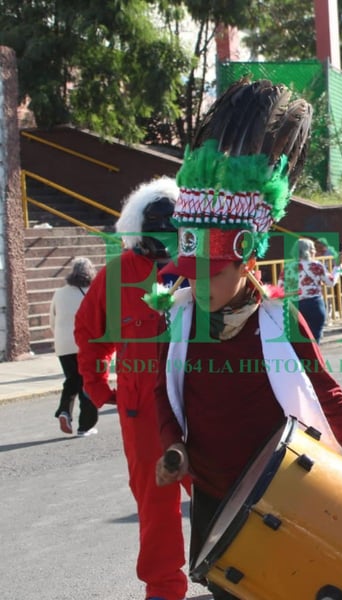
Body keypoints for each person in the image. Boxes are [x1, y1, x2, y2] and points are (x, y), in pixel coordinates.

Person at [150, 80, 342, 600]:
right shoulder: (176, 321)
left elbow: (328, 394)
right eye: (190, 274)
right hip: (215, 495)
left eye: (211, 274)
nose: (197, 285)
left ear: (247, 260)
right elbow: (162, 394)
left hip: (282, 494)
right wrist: (173, 444)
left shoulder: (279, 320)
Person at [74, 177, 189, 600]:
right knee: (157, 508)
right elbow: (89, 331)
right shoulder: (117, 274)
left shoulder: (201, 267)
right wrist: (98, 387)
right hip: (143, 414)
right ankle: (164, 590)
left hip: (199, 406)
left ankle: (233, 575)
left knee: (221, 495)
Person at [50, 256, 98, 436]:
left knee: (72, 380)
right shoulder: (94, 291)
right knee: (88, 383)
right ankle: (86, 425)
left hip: (62, 344)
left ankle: (64, 411)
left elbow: (52, 321)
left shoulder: (59, 292)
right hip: (86, 344)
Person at [278, 237, 342, 342]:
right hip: (314, 305)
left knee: (298, 343)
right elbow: (330, 282)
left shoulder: (287, 267)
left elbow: (280, 288)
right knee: (314, 341)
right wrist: (337, 267)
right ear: (308, 251)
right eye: (313, 248)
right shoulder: (316, 265)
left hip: (295, 307)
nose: (315, 251)